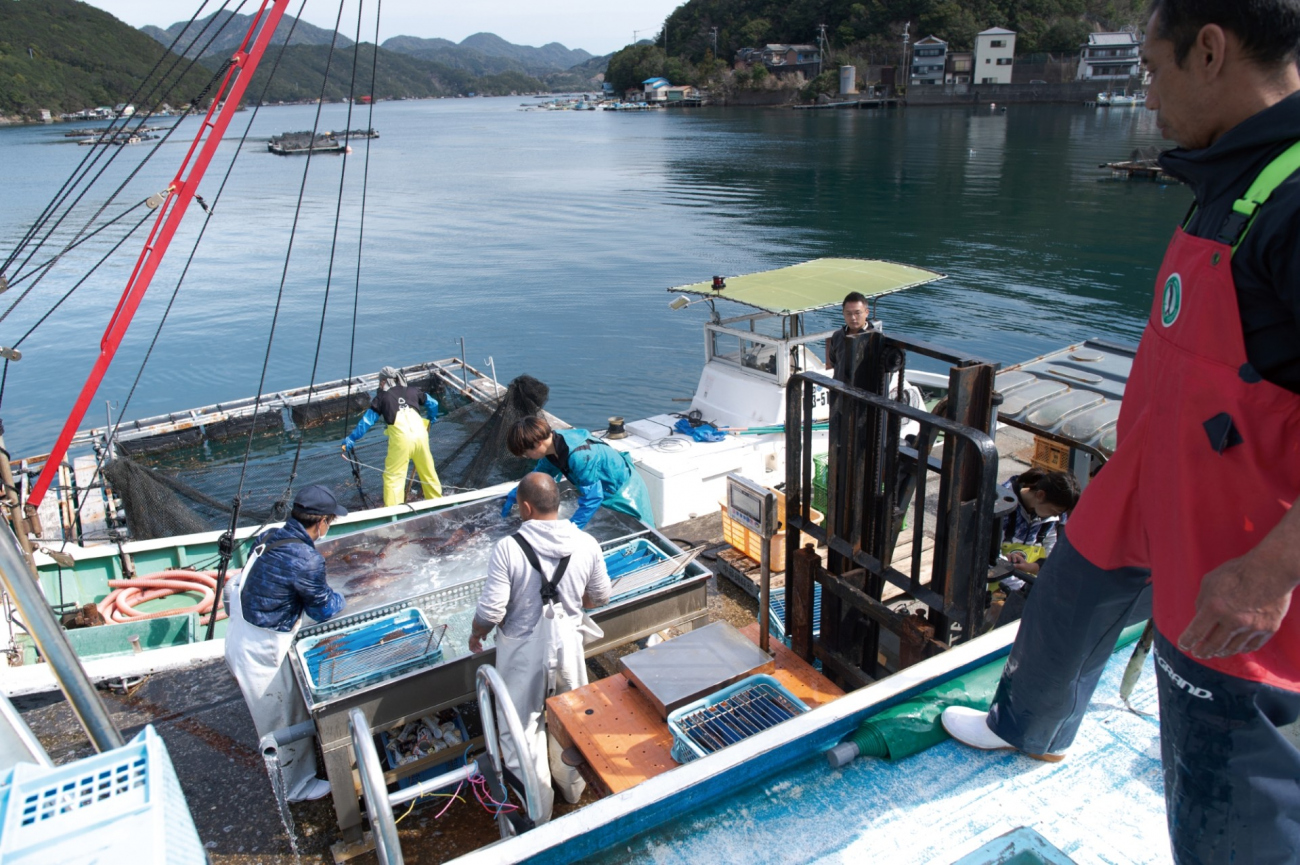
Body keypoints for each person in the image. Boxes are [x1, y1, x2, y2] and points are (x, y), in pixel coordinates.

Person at [942, 3, 1300, 861]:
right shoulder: (1226, 179)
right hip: (1149, 476)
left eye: (1150, 66)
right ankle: (1030, 727)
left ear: (1209, 52)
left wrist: (1265, 574)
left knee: (1223, 758)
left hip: (1237, 530)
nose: (1145, 91)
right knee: (1064, 603)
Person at [468, 472, 610, 822]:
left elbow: (491, 610)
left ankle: (537, 809)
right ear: (557, 504)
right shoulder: (587, 543)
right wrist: (578, 602)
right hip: (569, 647)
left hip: (522, 652)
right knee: (572, 718)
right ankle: (572, 790)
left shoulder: (508, 549)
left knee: (522, 729)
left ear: (526, 507)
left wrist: (476, 634)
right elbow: (601, 596)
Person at [224, 485, 347, 802]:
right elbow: (323, 609)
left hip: (240, 631)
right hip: (261, 650)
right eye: (329, 522)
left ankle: (295, 774)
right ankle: (296, 786)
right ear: (319, 521)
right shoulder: (307, 559)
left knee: (277, 713)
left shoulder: (271, 534)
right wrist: (343, 597)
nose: (328, 528)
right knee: (283, 717)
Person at [501, 416, 655, 529]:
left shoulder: (579, 456)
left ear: (538, 443)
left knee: (639, 529)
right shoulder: (552, 447)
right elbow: (538, 475)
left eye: (525, 453)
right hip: (601, 488)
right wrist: (516, 494)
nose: (526, 457)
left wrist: (571, 530)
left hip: (624, 491)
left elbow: (593, 498)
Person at [341, 366, 442, 507]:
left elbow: (367, 421)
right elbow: (433, 403)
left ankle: (394, 515)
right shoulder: (413, 390)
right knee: (428, 472)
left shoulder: (381, 397)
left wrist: (352, 438)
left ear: (383, 382)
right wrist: (431, 418)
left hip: (401, 440)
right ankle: (439, 504)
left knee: (394, 478)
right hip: (421, 435)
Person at [997, 468, 1080, 585]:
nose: (1056, 516)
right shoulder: (1001, 505)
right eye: (1055, 511)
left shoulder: (1051, 516)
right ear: (1040, 495)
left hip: (1019, 582)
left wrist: (1034, 569)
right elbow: (990, 557)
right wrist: (1023, 587)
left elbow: (1051, 554)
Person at [824, 291, 871, 373]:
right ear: (843, 313)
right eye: (848, 313)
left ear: (866, 312)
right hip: (839, 383)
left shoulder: (874, 338)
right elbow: (834, 362)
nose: (853, 318)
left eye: (857, 313)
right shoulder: (837, 336)